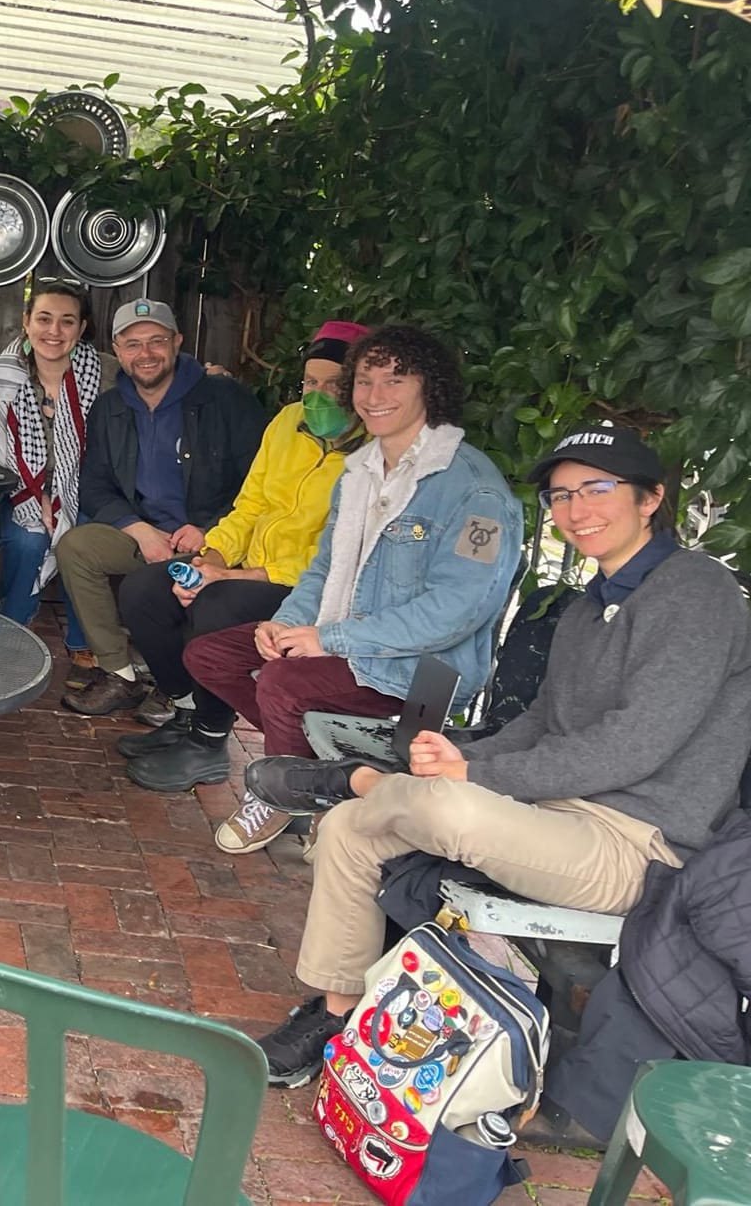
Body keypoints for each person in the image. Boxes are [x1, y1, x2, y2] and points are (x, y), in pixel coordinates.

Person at [244, 424, 751, 1088]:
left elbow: (633, 747)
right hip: (550, 813)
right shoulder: (586, 609)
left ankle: (359, 779)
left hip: (635, 846)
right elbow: (543, 721)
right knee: (347, 829)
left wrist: (473, 774)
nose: (576, 510)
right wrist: (459, 752)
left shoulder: (695, 594)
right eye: (561, 496)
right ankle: (336, 1011)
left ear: (651, 498)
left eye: (598, 489)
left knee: (450, 806)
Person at [182, 325, 521, 855]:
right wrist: (288, 621)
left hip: (423, 668)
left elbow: (459, 609)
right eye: (364, 381)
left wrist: (329, 639)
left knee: (283, 683)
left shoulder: (474, 489)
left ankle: (285, 793)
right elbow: (324, 567)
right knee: (211, 655)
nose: (374, 396)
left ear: (429, 388)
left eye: (394, 380)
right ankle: (331, 773)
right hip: (342, 635)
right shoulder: (360, 471)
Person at [119, 320, 370, 793]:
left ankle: (211, 739)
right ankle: (188, 712)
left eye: (334, 385)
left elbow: (338, 558)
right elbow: (250, 505)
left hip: (306, 586)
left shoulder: (373, 456)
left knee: (217, 606)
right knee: (144, 590)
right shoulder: (288, 422)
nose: (317, 395)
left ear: (361, 387)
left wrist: (232, 576)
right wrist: (209, 558)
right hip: (241, 567)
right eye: (310, 382)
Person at [54, 297, 266, 719]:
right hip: (146, 534)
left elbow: (259, 482)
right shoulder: (110, 408)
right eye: (132, 344)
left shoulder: (224, 399)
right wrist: (137, 528)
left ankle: (177, 683)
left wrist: (210, 527)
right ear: (117, 348)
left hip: (212, 539)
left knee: (160, 589)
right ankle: (120, 673)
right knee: (76, 547)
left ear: (177, 341)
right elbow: (94, 485)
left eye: (156, 341)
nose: (145, 354)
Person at [0, 278, 102, 676]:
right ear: (27, 322)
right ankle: (13, 625)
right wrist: (40, 494)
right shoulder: (1, 383)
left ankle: (82, 639)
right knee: (29, 539)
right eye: (44, 319)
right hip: (15, 491)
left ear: (81, 329)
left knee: (80, 540)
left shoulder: (104, 374)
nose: (54, 331)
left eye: (67, 322)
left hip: (87, 491)